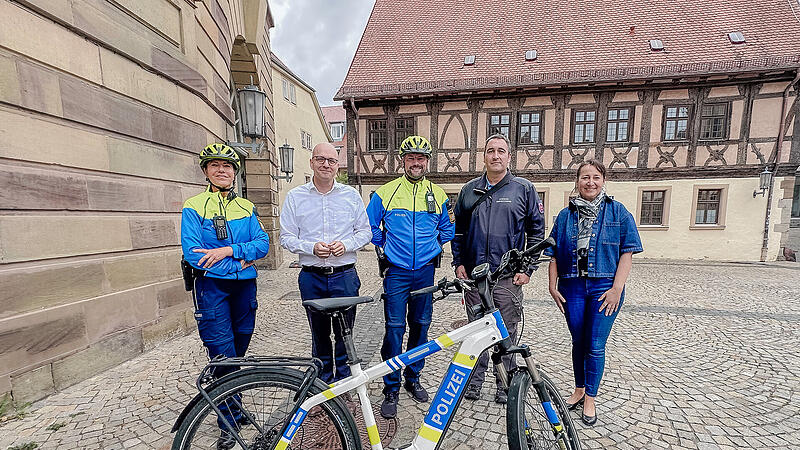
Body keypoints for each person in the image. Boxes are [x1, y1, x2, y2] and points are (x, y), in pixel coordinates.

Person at [180, 143, 270, 449]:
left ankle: (234, 406)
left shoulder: (246, 207)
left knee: (237, 354)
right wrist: (240, 261)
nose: (222, 170)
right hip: (211, 289)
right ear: (206, 171)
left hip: (244, 288)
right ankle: (228, 422)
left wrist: (228, 250)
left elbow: (262, 244)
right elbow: (194, 254)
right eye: (215, 165)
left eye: (227, 166)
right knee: (222, 356)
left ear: (235, 172)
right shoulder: (194, 206)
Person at [544, 159, 642, 426]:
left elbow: (627, 253)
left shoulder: (618, 212)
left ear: (603, 181)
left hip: (604, 287)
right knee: (578, 341)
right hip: (572, 286)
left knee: (595, 345)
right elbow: (553, 253)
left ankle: (590, 397)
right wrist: (552, 285)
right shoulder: (565, 216)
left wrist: (616, 289)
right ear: (577, 182)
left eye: (596, 177)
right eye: (585, 177)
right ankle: (579, 389)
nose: (590, 182)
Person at [451, 133, 546, 404]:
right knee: (475, 330)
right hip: (474, 277)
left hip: (506, 277)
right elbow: (459, 232)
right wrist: (458, 262)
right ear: (484, 156)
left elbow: (536, 232)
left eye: (501, 151)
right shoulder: (469, 190)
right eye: (490, 150)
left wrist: (527, 268)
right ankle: (474, 381)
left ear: (509, 156)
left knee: (506, 331)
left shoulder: (523, 189)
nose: (495, 156)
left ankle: (505, 383)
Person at [366, 135, 454, 419]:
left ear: (428, 161)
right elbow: (369, 225)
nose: (416, 163)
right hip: (396, 272)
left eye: (421, 158)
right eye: (411, 158)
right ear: (402, 161)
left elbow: (447, 229)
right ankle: (390, 387)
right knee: (394, 328)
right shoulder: (386, 192)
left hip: (425, 271)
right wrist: (386, 246)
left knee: (421, 326)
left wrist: (432, 248)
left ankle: (413, 377)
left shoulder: (438, 194)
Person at [280, 142, 371, 384]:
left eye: (331, 160)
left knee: (345, 333)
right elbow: (286, 237)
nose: (326, 164)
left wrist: (347, 245)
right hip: (312, 277)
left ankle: (344, 383)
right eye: (320, 159)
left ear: (337, 165)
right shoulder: (295, 197)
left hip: (344, 275)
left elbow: (365, 232)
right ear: (312, 162)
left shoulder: (351, 196)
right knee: (319, 335)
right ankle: (322, 384)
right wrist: (310, 248)